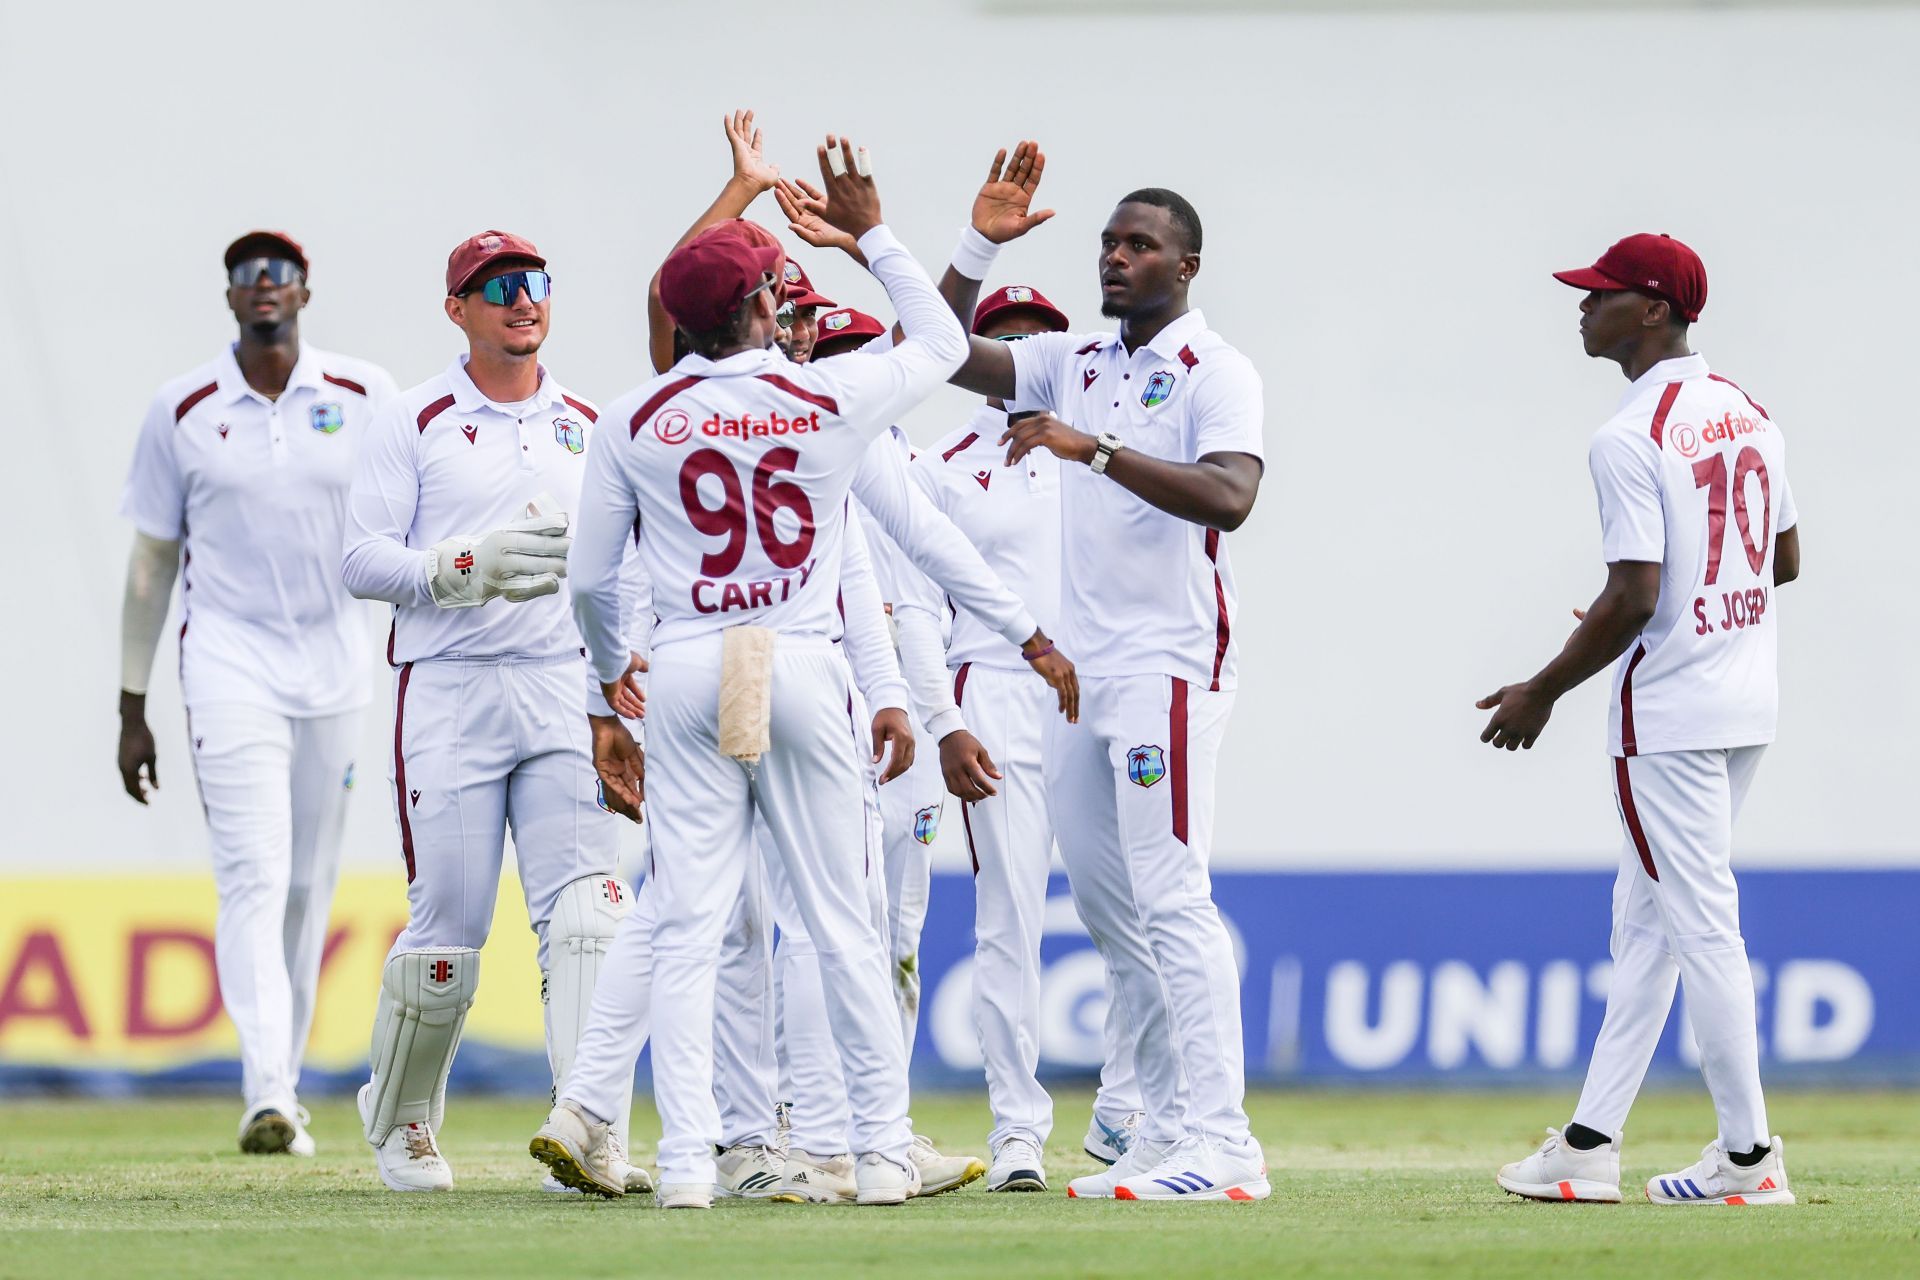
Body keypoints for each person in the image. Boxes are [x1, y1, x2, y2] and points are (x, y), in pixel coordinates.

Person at [561, 134, 1069, 1210]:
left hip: (693, 662)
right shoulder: (827, 398)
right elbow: (938, 339)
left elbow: (591, 582)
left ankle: (694, 1163)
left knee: (691, 921)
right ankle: (878, 1152)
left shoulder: (630, 417)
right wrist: (874, 230)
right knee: (843, 917)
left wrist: (612, 685)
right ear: (760, 309)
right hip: (798, 656)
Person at [933, 143, 1271, 1201]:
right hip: (1081, 677)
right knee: (1115, 907)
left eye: (1141, 245)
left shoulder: (1220, 370)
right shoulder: (1077, 357)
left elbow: (1231, 498)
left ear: (1189, 264)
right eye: (1109, 243)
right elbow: (939, 350)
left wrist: (1099, 452)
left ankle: (1227, 1145)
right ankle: (1166, 1127)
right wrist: (977, 241)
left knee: (1174, 896)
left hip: (1166, 667)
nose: (1117, 259)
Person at [1485, 234, 1800, 1207]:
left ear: (1654, 309)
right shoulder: (1746, 408)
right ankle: (1588, 1142)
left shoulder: (1628, 433)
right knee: (1651, 927)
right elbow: (1780, 560)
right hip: (1745, 694)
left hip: (1668, 708)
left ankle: (1748, 1157)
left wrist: (1541, 686)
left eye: (1601, 296)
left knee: (1699, 924)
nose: (1583, 309)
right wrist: (1654, 605)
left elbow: (1633, 593)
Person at [340, 229, 647, 1194]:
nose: (523, 300)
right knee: (448, 941)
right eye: (499, 286)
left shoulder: (590, 421)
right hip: (452, 691)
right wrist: (456, 567)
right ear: (458, 309)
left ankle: (584, 1128)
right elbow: (359, 559)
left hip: (563, 687)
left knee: (591, 917)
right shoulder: (415, 417)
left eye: (537, 283)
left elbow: (619, 567)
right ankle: (399, 1118)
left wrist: (618, 683)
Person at [117, 230, 396, 1157]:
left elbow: (410, 520)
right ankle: (267, 1090)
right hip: (228, 665)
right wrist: (132, 703)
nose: (263, 285)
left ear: (304, 291)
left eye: (277, 272)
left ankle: (286, 1078)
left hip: (335, 666)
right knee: (253, 875)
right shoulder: (184, 407)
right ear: (230, 298)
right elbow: (154, 562)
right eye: (246, 274)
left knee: (307, 888)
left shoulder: (362, 395)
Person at [902, 282, 1145, 1192]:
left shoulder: (1106, 449)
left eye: (1037, 334)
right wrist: (947, 722)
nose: (1021, 351)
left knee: (1129, 904)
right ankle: (1016, 1128)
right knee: (1008, 917)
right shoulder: (942, 463)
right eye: (1001, 337)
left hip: (1101, 694)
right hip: (994, 695)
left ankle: (1126, 1107)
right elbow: (920, 608)